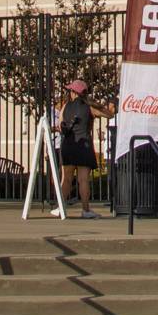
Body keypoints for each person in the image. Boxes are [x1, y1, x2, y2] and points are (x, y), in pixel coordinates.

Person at [59, 80, 100, 216]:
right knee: (83, 180)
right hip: (84, 147)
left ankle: (61, 208)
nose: (69, 93)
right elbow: (109, 114)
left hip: (69, 145)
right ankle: (85, 210)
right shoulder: (89, 107)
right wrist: (94, 104)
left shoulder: (65, 107)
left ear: (75, 93)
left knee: (66, 178)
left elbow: (60, 125)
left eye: (71, 91)